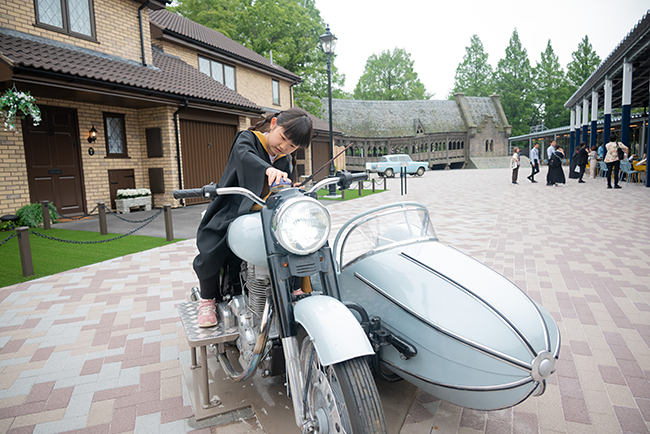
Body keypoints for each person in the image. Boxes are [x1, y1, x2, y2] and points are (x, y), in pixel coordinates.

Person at [193, 108, 313, 327]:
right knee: (211, 246)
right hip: (232, 206)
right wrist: (267, 169)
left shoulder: (285, 159)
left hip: (265, 214)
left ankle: (294, 287)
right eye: (283, 138)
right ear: (274, 123)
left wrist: (291, 186)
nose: (284, 147)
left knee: (297, 238)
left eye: (292, 146)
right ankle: (207, 299)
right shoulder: (247, 139)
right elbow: (246, 158)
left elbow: (283, 186)